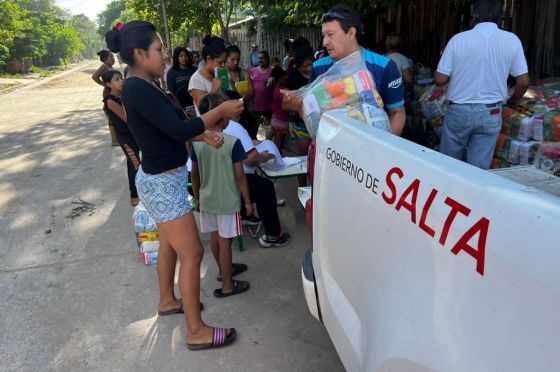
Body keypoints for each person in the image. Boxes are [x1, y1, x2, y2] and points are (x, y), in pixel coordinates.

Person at [105, 20, 244, 350]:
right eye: (158, 49)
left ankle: (168, 300)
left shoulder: (146, 83)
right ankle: (195, 331)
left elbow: (168, 128)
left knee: (169, 245)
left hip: (161, 178)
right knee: (193, 253)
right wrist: (220, 109)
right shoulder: (138, 87)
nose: (165, 55)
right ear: (139, 53)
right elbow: (178, 131)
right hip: (162, 184)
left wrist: (201, 133)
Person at [283, 5, 406, 136]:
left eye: (330, 35)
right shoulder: (319, 67)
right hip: (333, 148)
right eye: (324, 35)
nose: (325, 42)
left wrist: (383, 148)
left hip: (371, 147)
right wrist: (301, 105)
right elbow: (314, 114)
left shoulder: (385, 67)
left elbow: (397, 113)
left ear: (351, 33)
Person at [434, 0, 529, 169]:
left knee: (447, 166)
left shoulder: (458, 40)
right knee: (478, 170)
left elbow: (440, 79)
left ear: (474, 16)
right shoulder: (512, 40)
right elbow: (523, 82)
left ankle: (447, 193)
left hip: (458, 110)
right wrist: (514, 99)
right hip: (490, 111)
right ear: (499, 18)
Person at [191, 93, 252, 298]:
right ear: (224, 116)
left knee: (216, 239)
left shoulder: (198, 142)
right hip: (227, 200)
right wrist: (248, 202)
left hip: (207, 199)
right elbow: (240, 176)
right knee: (226, 242)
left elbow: (195, 173)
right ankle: (227, 284)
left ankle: (222, 272)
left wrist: (198, 197)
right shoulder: (233, 142)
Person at [223, 91, 292, 248]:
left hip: (204, 185)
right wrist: (265, 156)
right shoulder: (234, 126)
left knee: (246, 177)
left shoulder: (207, 122)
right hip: (226, 186)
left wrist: (251, 143)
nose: (241, 107)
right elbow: (251, 160)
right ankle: (274, 235)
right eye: (238, 104)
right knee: (265, 187)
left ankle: (245, 215)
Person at [101, 69, 141, 207]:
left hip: (135, 135)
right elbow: (127, 118)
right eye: (116, 79)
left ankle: (141, 190)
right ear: (108, 84)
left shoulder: (123, 96)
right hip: (126, 138)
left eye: (121, 78)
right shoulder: (110, 101)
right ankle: (134, 195)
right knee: (134, 163)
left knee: (136, 162)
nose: (121, 81)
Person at [283, 42, 315, 186]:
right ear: (297, 65)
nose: (308, 69)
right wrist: (302, 107)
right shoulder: (292, 78)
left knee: (317, 160)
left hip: (318, 124)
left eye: (310, 64)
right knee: (304, 159)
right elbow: (285, 104)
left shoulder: (319, 72)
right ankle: (302, 189)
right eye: (304, 66)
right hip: (301, 125)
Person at [225, 44, 258, 138]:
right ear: (226, 59)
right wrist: (243, 93)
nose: (235, 62)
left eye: (238, 59)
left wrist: (238, 94)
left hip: (247, 112)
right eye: (232, 59)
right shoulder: (222, 74)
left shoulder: (244, 73)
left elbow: (252, 92)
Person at [189, 35, 227, 115]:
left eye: (224, 62)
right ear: (209, 59)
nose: (223, 65)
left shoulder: (219, 73)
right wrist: (214, 89)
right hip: (209, 127)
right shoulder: (196, 80)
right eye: (220, 62)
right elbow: (204, 112)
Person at [91, 49, 119, 146]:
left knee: (115, 115)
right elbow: (94, 76)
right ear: (104, 59)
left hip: (114, 92)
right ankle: (114, 140)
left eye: (113, 57)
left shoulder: (110, 67)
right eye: (111, 57)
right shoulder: (104, 66)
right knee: (111, 115)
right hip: (108, 93)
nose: (113, 59)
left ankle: (116, 138)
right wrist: (104, 85)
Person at [250, 50, 273, 133]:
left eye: (263, 58)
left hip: (268, 103)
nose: (261, 60)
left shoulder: (272, 71)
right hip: (255, 103)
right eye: (259, 58)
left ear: (267, 59)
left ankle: (268, 141)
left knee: (268, 126)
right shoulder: (253, 70)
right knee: (255, 125)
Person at [269, 66, 290, 153]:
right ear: (280, 78)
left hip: (274, 119)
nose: (285, 79)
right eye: (284, 77)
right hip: (282, 121)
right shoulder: (280, 92)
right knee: (278, 147)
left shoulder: (272, 90)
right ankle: (277, 162)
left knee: (277, 145)